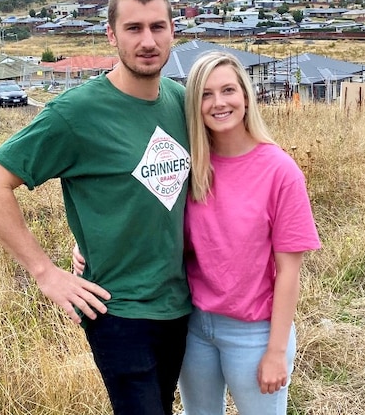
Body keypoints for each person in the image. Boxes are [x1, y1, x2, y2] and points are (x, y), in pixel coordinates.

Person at [0, 0, 192, 415]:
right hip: (120, 311)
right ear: (111, 34)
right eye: (133, 28)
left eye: (158, 27)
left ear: (172, 31)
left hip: (181, 303)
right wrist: (45, 272)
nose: (148, 41)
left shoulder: (180, 100)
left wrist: (91, 231)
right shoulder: (75, 113)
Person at [74, 51, 321, 414]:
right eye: (206, 94)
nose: (219, 102)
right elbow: (141, 213)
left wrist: (275, 350)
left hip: (253, 332)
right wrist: (89, 245)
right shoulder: (189, 164)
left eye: (228, 90)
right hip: (193, 326)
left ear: (246, 96)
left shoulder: (280, 172)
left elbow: (289, 271)